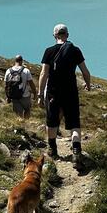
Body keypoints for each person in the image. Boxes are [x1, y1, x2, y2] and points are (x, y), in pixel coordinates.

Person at [38, 23, 90, 166]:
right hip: (71, 92)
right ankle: (76, 153)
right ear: (67, 35)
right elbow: (85, 71)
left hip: (53, 92)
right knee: (74, 124)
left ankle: (52, 149)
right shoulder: (75, 50)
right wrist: (88, 84)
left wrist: (39, 94)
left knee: (52, 121)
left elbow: (44, 73)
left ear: (55, 35)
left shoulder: (49, 51)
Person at [4, 54, 36, 121]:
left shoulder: (8, 71)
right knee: (27, 110)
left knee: (18, 114)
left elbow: (6, 86)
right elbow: (31, 83)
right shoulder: (26, 71)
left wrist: (8, 97)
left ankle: (21, 127)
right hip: (25, 95)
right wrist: (35, 93)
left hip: (14, 96)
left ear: (15, 61)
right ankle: (26, 124)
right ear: (22, 61)